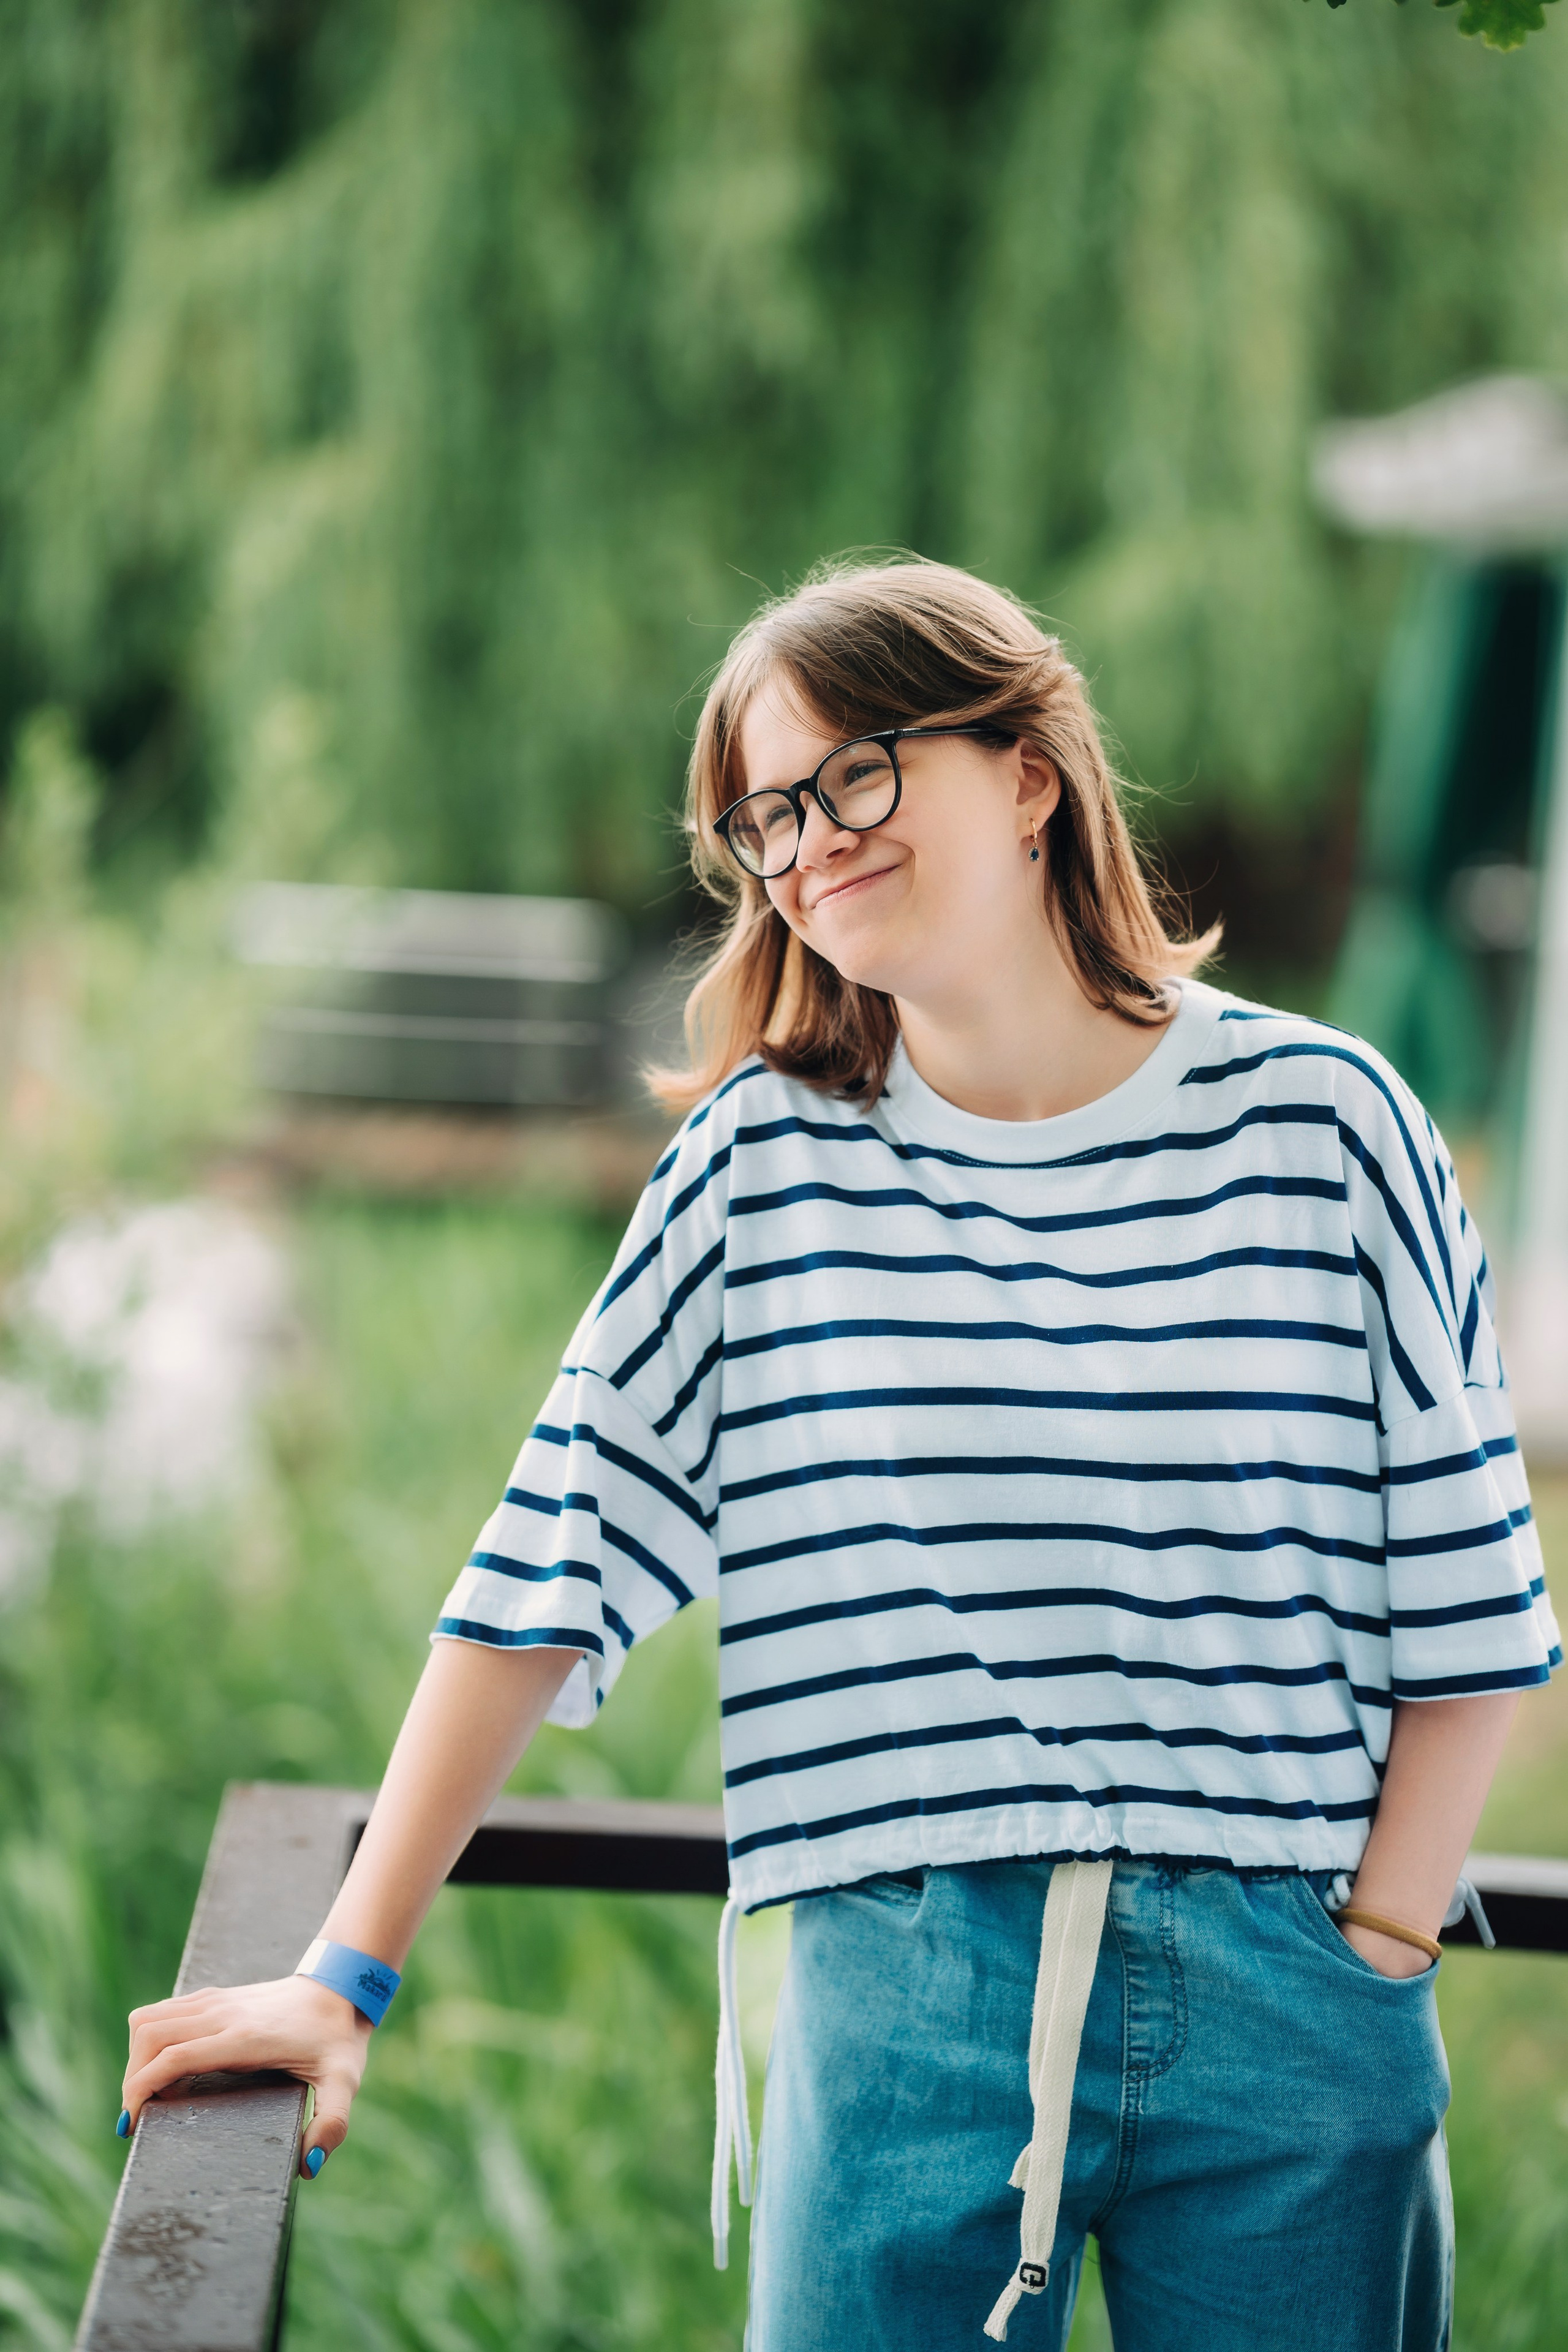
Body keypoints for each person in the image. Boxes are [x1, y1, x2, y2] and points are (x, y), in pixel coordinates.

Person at [121, 559, 1558, 2350]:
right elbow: (550, 1564)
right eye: (765, 818)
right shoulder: (761, 1170)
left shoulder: (1329, 1127)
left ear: (1030, 772)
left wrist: (1386, 1949)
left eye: (859, 771)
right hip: (902, 1987)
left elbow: (1475, 1590)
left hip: (1295, 2000)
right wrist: (343, 1971)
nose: (811, 841)